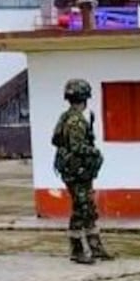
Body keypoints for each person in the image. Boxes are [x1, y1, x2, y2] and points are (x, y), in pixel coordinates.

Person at [52, 79, 111, 265]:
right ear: (84, 98)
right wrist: (95, 152)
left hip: (76, 170)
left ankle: (95, 247)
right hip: (76, 171)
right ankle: (77, 250)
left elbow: (57, 140)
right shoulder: (76, 121)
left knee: (88, 208)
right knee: (81, 208)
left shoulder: (66, 116)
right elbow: (77, 146)